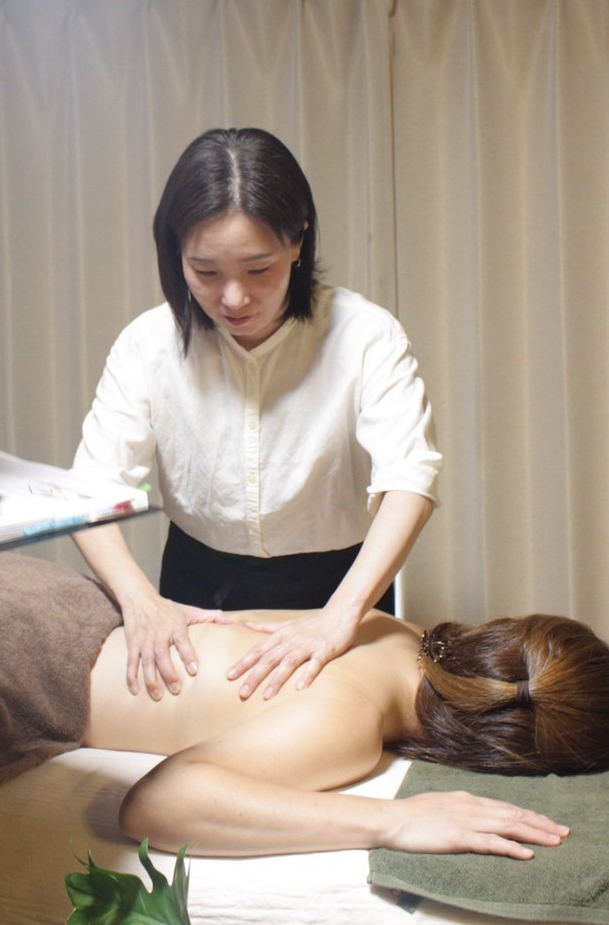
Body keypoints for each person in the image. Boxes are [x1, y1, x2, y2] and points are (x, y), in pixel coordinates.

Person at [72, 127, 442, 702]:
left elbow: (410, 479)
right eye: (206, 272)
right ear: (176, 253)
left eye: (258, 269)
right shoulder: (148, 345)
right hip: (196, 585)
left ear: (298, 241)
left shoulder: (365, 336)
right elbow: (90, 490)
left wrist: (340, 615)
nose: (234, 298)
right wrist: (140, 602)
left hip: (339, 588)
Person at [87, 605, 609, 858]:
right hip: (54, 664)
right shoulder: (348, 721)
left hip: (82, 606)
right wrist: (395, 821)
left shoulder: (398, 630)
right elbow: (154, 805)